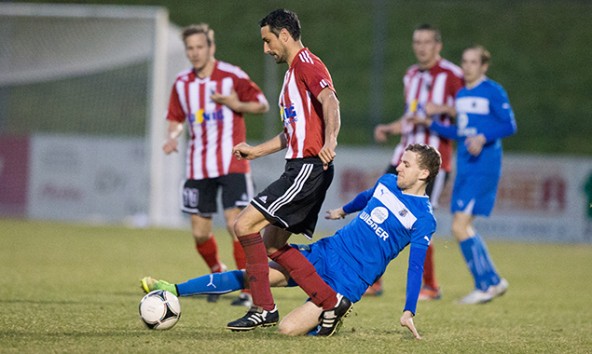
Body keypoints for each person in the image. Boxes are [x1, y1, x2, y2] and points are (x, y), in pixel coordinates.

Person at [141, 143, 442, 338]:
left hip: (349, 280)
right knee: (254, 274)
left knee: (287, 330)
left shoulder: (424, 219)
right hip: (328, 251)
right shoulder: (388, 181)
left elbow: (415, 268)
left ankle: (332, 312)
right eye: (401, 161)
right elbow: (368, 196)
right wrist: (343, 210)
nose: (398, 166)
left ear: (423, 173)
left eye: (406, 164)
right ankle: (175, 289)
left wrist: (408, 310)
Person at [224, 9, 347, 336]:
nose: (265, 49)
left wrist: (332, 139)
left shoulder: (307, 65)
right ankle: (328, 300)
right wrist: (255, 150)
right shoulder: (293, 73)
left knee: (244, 223)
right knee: (273, 242)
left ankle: (263, 308)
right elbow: (291, 131)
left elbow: (330, 100)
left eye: (268, 41)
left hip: (307, 169)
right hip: (301, 167)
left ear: (285, 35)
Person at [163, 23, 269, 307]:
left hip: (233, 164)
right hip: (198, 167)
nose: (195, 53)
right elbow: (174, 118)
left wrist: (236, 103)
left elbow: (261, 104)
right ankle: (217, 274)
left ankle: (248, 288)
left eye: (200, 47)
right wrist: (172, 138)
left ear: (211, 48)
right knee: (199, 232)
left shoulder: (231, 76)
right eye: (190, 48)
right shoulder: (182, 83)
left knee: (239, 225)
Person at [416, 45, 517, 304]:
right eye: (465, 61)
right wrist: (432, 125)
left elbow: (509, 124)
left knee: (459, 226)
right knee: (463, 226)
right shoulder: (461, 95)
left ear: (484, 66)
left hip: (484, 166)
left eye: (474, 62)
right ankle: (493, 281)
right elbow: (461, 133)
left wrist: (484, 137)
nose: (468, 66)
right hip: (465, 165)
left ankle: (485, 285)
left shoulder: (492, 91)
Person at [371, 24, 463, 299]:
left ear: (438, 46)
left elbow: (467, 112)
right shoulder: (410, 75)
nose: (421, 47)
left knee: (420, 220)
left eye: (426, 42)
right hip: (402, 155)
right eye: (417, 42)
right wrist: (390, 127)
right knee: (378, 211)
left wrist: (442, 110)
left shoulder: (452, 75)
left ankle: (431, 286)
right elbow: (410, 117)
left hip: (431, 162)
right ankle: (374, 281)